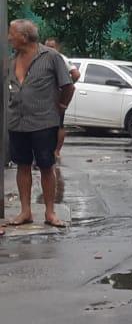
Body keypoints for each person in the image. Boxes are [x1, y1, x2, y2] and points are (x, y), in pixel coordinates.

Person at [7, 20, 75, 230]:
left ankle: (50, 212)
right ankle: (25, 211)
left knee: (46, 166)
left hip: (44, 122)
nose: (9, 38)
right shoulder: (11, 60)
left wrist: (61, 106)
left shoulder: (51, 57)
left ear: (24, 37)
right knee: (22, 165)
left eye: (12, 34)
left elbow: (68, 86)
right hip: (17, 121)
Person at [41, 38, 77, 204]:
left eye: (52, 46)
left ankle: (55, 150)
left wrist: (63, 88)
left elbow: (75, 75)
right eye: (47, 46)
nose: (50, 48)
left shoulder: (60, 58)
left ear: (58, 47)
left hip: (55, 99)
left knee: (58, 124)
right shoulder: (42, 57)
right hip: (44, 100)